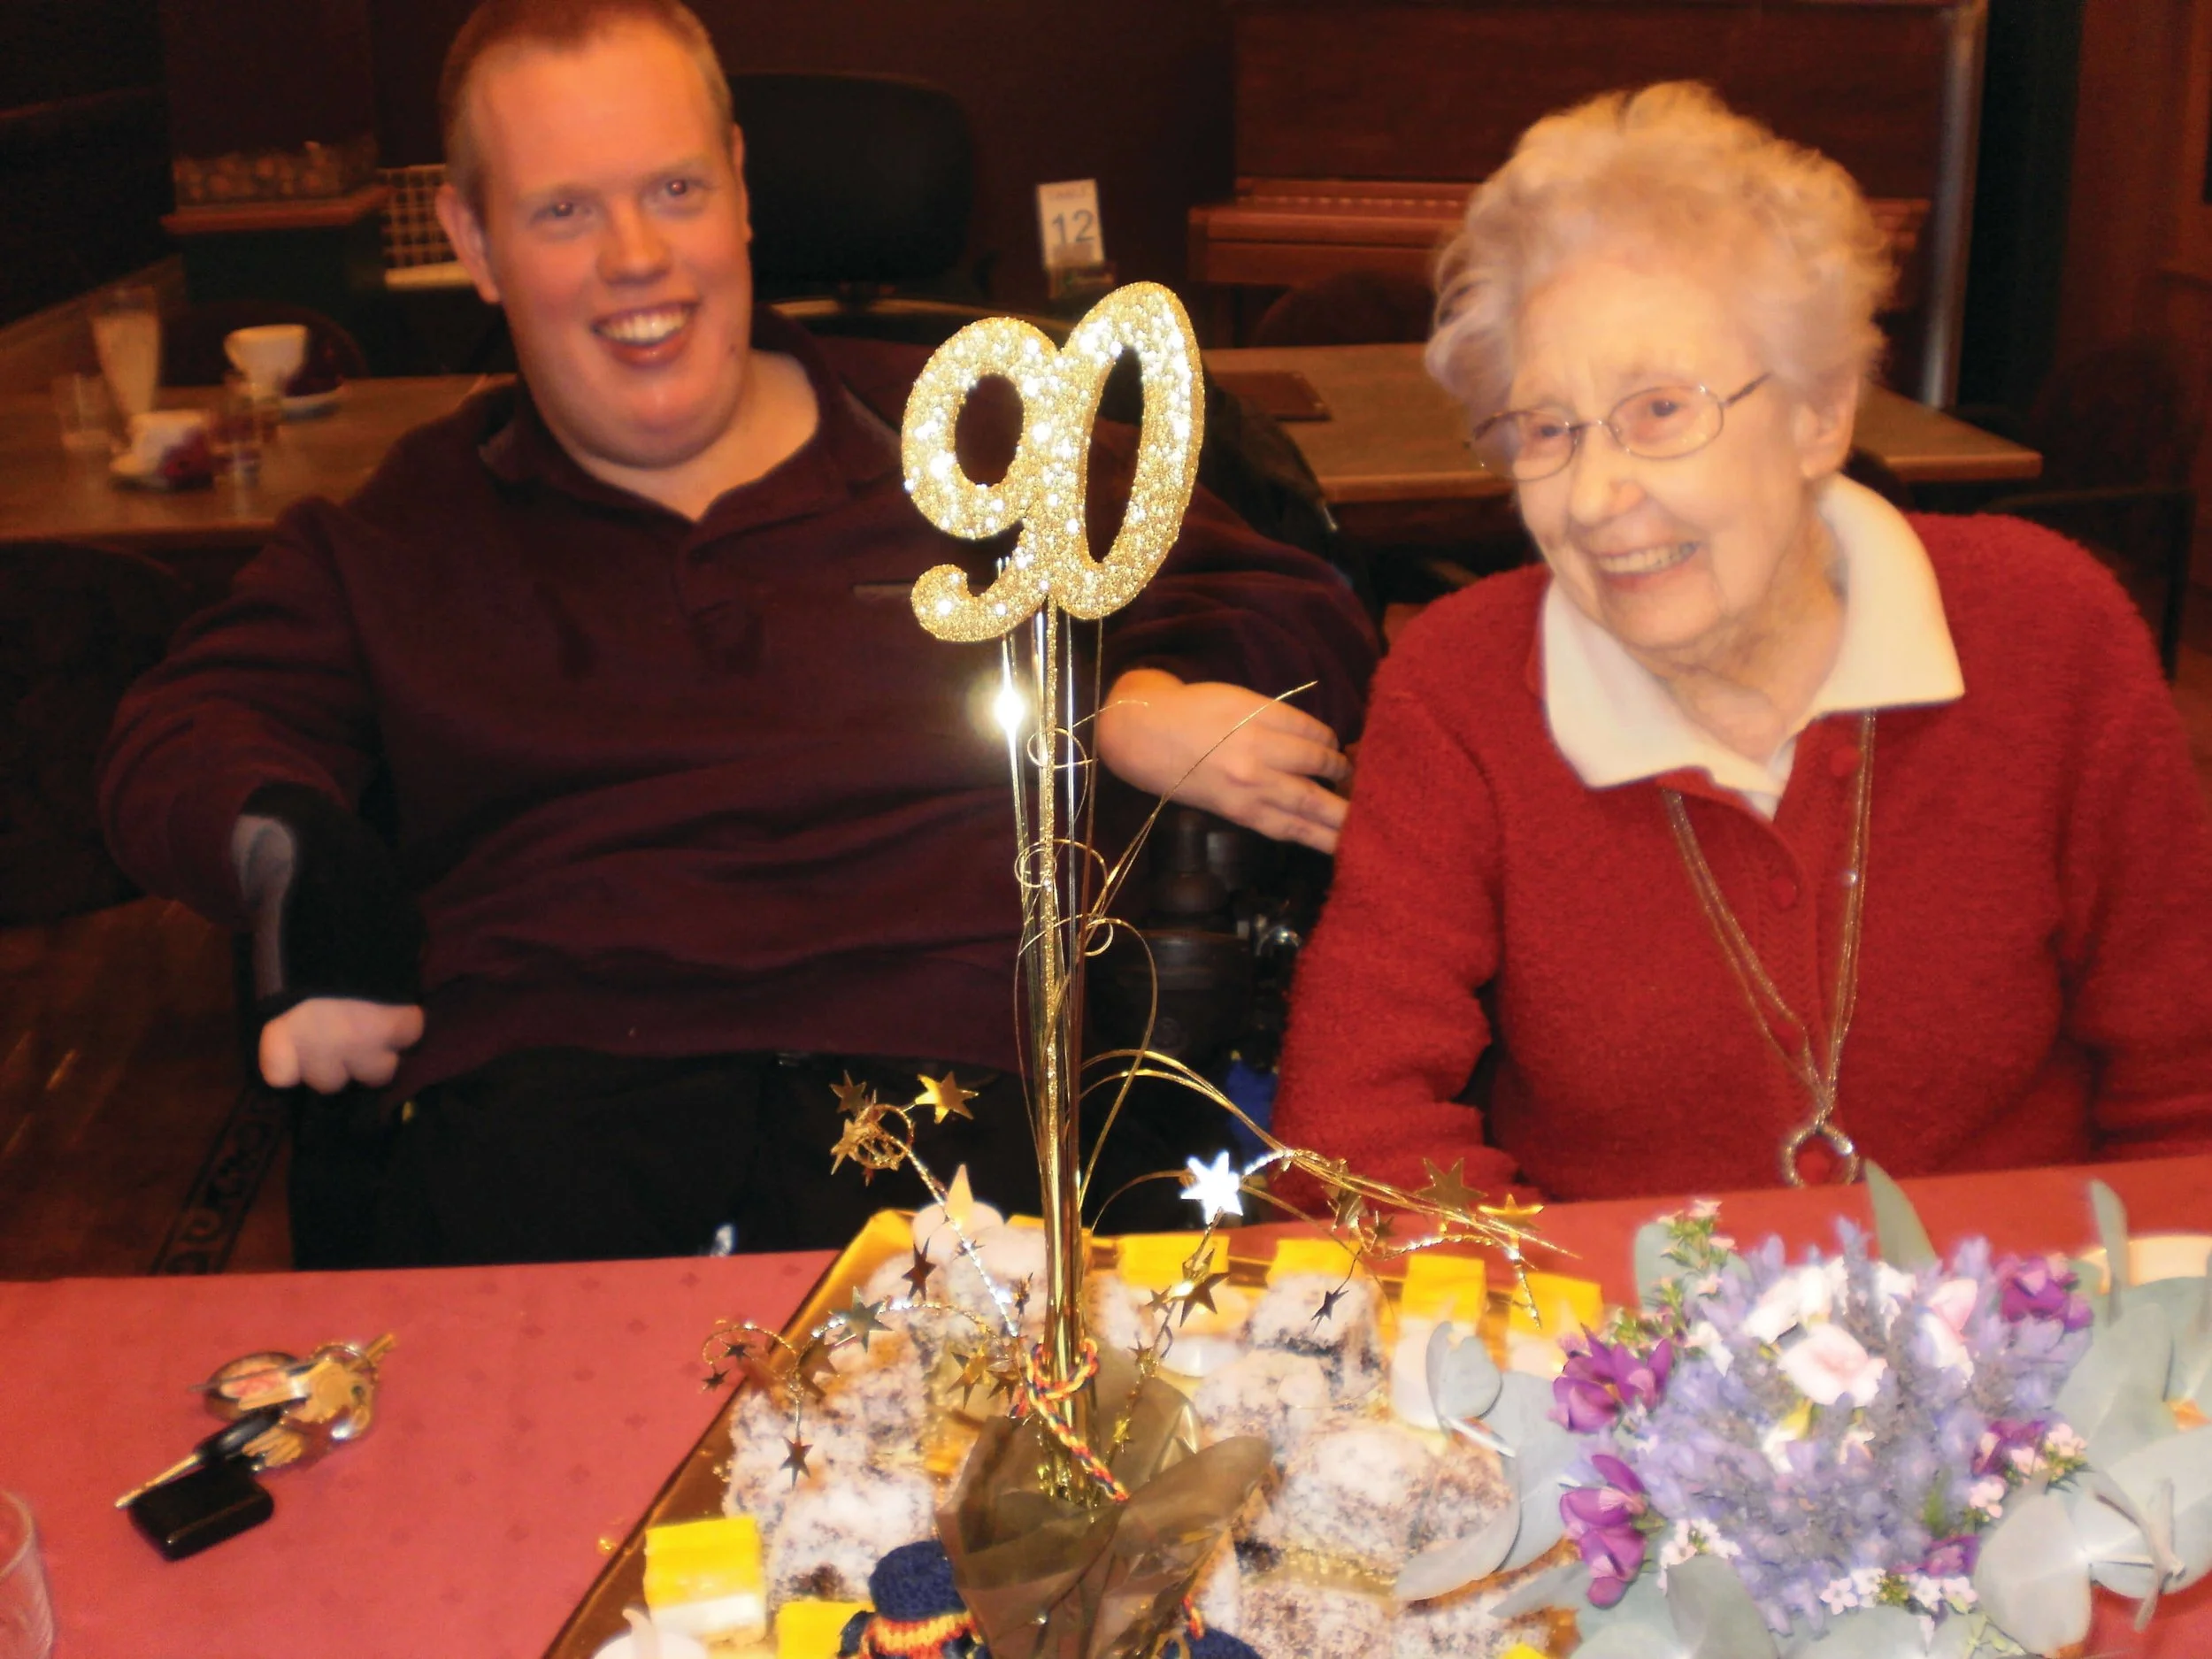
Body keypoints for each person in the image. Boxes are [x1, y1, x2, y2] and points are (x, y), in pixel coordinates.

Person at [98, 0, 1375, 1265]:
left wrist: (1140, 685)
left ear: (742, 191)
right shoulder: (401, 530)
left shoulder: (973, 440)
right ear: (473, 240)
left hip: (966, 1117)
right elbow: (185, 729)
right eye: (562, 210)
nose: (636, 255)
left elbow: (1290, 596)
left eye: (673, 187)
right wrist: (292, 854)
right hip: (548, 1131)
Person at [1272, 82, 2212, 1202]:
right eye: (1546, 429)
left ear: (1820, 414)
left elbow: (2186, 1097)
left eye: (1661, 410)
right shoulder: (1462, 683)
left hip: (2032, 1340)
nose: (1594, 494)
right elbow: (1354, 1132)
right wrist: (1584, 1354)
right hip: (1613, 1353)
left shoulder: (2049, 633)